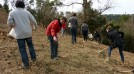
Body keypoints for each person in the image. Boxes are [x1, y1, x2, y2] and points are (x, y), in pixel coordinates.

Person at [7, 1, 37, 69]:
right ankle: (34, 58)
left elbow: (9, 23)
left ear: (16, 5)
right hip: (28, 33)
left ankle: (26, 64)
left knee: (22, 49)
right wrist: (35, 27)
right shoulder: (27, 12)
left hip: (20, 34)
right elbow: (34, 21)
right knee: (30, 46)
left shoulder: (12, 12)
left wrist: (13, 25)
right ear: (23, 5)